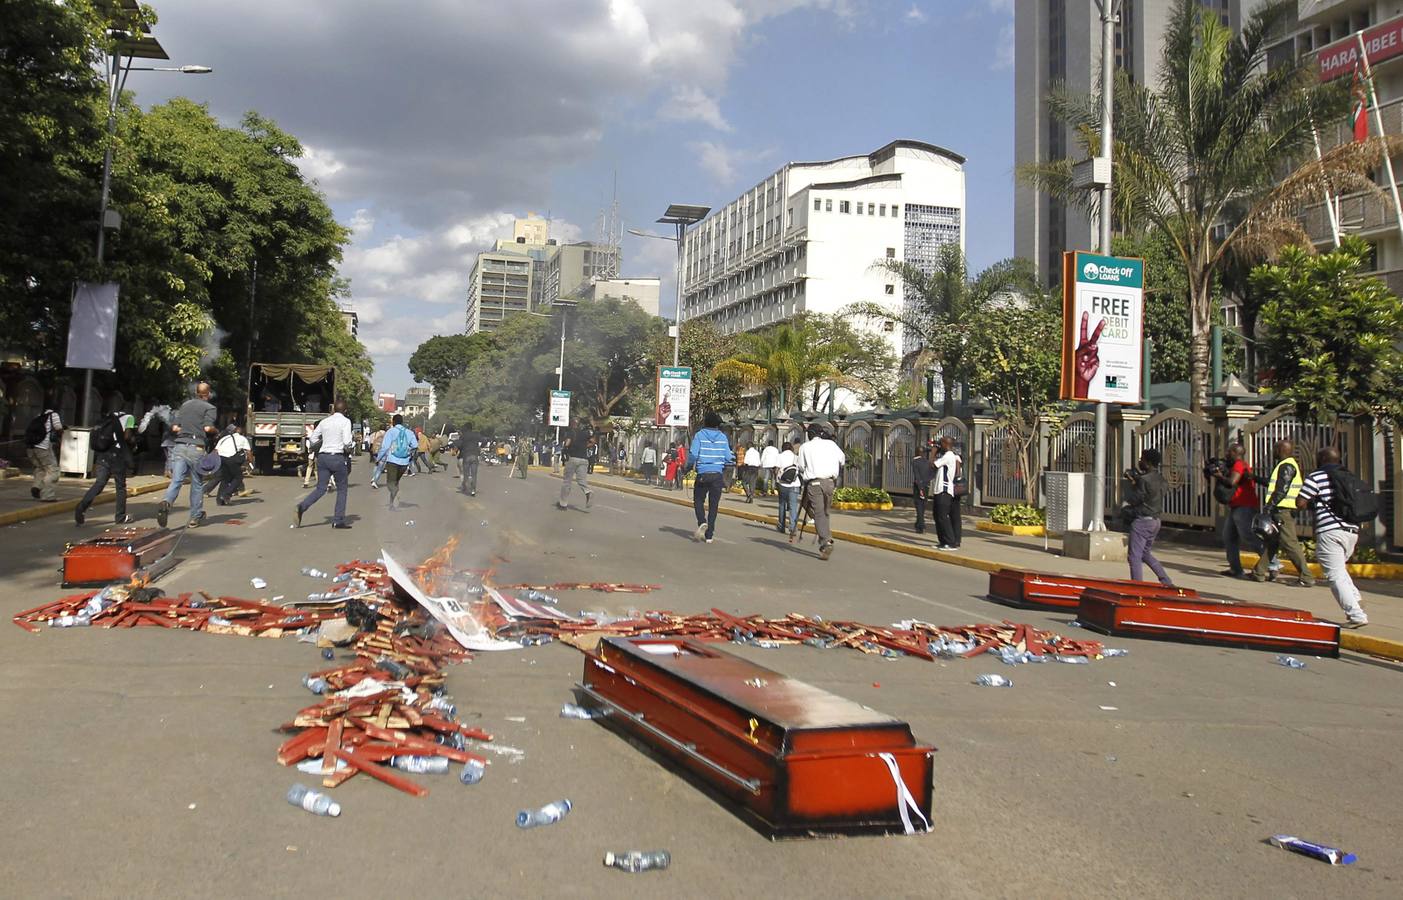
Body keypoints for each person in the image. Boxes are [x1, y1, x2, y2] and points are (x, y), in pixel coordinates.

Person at [1298, 447, 1368, 625]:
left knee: (1334, 575)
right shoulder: (1350, 476)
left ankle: (1356, 615)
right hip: (1351, 530)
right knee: (1339, 569)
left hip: (1330, 532)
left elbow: (1300, 502)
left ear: (1321, 459)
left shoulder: (1316, 476)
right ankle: (1354, 597)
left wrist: (1313, 504)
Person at [1252, 440, 1313, 587]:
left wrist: (1268, 507)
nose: (1272, 452)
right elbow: (1275, 485)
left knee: (1289, 543)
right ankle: (1259, 572)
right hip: (1281, 509)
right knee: (1272, 541)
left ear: (1280, 449)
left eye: (1274, 449)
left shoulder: (1287, 466)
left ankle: (1306, 577)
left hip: (1283, 510)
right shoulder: (1285, 465)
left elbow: (1281, 490)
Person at [157, 382, 217, 528]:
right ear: (208, 394)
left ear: (196, 392)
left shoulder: (185, 405)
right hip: (196, 448)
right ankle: (195, 517)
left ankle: (167, 501)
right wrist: (215, 431)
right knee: (196, 483)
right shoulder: (210, 408)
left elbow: (176, 427)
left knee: (177, 480)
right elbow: (208, 428)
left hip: (179, 446)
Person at [294, 399, 354, 530]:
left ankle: (302, 507)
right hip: (337, 457)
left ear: (333, 410)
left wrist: (324, 443)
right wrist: (348, 449)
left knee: (320, 488)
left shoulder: (324, 421)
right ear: (345, 411)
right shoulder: (345, 422)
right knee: (342, 489)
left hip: (323, 457)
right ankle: (338, 520)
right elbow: (347, 442)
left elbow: (313, 439)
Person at [1122, 448, 1174, 586]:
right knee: (1145, 554)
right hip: (1155, 521)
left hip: (1142, 521)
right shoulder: (1161, 479)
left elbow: (1135, 499)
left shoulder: (1143, 480)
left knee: (1134, 557)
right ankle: (1166, 581)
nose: (1140, 462)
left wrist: (1132, 484)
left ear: (1149, 462)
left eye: (1142, 459)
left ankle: (1137, 587)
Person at [75, 412, 136, 525]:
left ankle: (81, 507)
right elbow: (127, 436)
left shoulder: (108, 417)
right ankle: (120, 517)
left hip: (103, 454)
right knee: (120, 487)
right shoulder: (130, 418)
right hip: (117, 456)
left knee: (99, 483)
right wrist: (133, 441)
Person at [796, 424, 845, 560]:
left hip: (815, 483)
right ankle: (825, 538)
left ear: (810, 434)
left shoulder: (805, 447)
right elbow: (842, 460)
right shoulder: (831, 445)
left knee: (818, 514)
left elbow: (800, 466)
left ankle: (825, 541)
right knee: (825, 513)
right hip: (830, 482)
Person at [1212, 442, 1260, 577]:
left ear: (1235, 452)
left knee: (1248, 536)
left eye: (1229, 452)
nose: (1227, 454)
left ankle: (1272, 562)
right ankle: (1236, 569)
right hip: (1236, 506)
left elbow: (1232, 482)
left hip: (1244, 506)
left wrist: (1219, 476)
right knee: (1229, 537)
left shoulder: (1239, 464)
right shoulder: (1237, 465)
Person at [688, 411, 735, 543]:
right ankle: (709, 535)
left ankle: (702, 521)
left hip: (703, 473)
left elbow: (693, 455)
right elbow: (728, 457)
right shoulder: (722, 437)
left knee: (698, 500)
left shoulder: (699, 435)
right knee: (714, 505)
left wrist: (688, 467)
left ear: (705, 423)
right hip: (717, 475)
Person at [25, 405, 63, 503]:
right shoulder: (53, 415)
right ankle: (48, 495)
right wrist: (62, 431)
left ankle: (36, 487)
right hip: (43, 448)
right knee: (53, 471)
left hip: (31, 448)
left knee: (41, 468)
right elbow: (58, 429)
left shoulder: (39, 416)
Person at [376, 414, 416, 510]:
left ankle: (396, 497)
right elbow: (415, 445)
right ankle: (392, 504)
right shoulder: (409, 432)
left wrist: (378, 458)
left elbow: (385, 447)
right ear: (402, 422)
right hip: (404, 462)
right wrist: (409, 453)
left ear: (393, 422)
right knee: (396, 482)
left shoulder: (391, 432)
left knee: (391, 483)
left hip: (392, 461)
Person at [931, 436, 963, 550]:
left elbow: (932, 465)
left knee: (943, 516)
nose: (939, 445)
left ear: (945, 444)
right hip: (939, 490)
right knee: (937, 516)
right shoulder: (947, 456)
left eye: (941, 443)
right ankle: (943, 541)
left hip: (944, 490)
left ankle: (951, 542)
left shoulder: (949, 455)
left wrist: (933, 452)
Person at [214, 423, 253, 506]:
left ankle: (219, 500)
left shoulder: (224, 438)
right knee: (238, 477)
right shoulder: (242, 439)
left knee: (225, 479)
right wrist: (250, 462)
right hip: (231, 459)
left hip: (221, 458)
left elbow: (216, 450)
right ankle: (226, 494)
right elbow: (249, 452)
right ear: (239, 431)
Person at [558, 419, 593, 509]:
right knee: (582, 480)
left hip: (573, 458)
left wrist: (565, 449)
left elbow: (567, 443)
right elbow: (593, 441)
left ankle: (563, 504)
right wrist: (585, 446)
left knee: (567, 481)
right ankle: (588, 492)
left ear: (572, 424)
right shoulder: (585, 433)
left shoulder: (571, 432)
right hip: (584, 460)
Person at [775, 441, 801, 535]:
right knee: (793, 506)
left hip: (782, 484)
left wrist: (776, 480)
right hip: (794, 484)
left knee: (782, 504)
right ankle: (792, 527)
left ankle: (781, 526)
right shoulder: (796, 457)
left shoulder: (780, 456)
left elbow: (777, 469)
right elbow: (800, 469)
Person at [911, 441, 934, 534]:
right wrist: (927, 481)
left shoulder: (915, 461)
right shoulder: (927, 462)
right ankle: (918, 523)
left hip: (918, 486)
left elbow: (917, 475)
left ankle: (921, 525)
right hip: (926, 485)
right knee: (923, 505)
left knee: (919, 506)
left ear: (917, 452)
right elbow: (932, 473)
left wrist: (920, 488)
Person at [454, 427, 482, 495]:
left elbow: (458, 445)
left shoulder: (463, 437)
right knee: (474, 474)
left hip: (465, 457)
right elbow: (484, 441)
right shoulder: (475, 437)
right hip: (475, 456)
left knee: (464, 474)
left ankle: (465, 487)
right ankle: (473, 490)